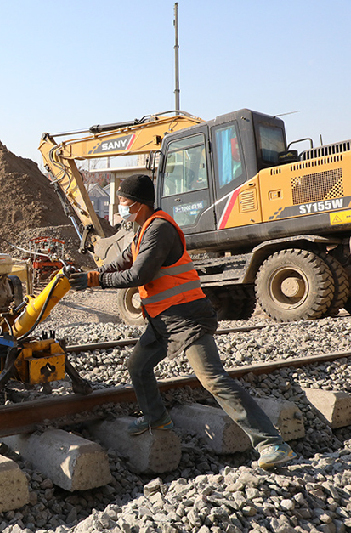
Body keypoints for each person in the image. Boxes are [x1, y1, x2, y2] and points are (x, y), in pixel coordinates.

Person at [69, 174, 297, 470]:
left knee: (213, 379)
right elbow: (124, 260)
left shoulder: (160, 230)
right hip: (163, 320)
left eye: (124, 201)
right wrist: (90, 273)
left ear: (138, 204)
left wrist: (96, 281)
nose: (121, 206)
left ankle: (273, 444)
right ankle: (157, 418)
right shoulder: (142, 230)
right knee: (137, 366)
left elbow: (140, 275)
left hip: (187, 317)